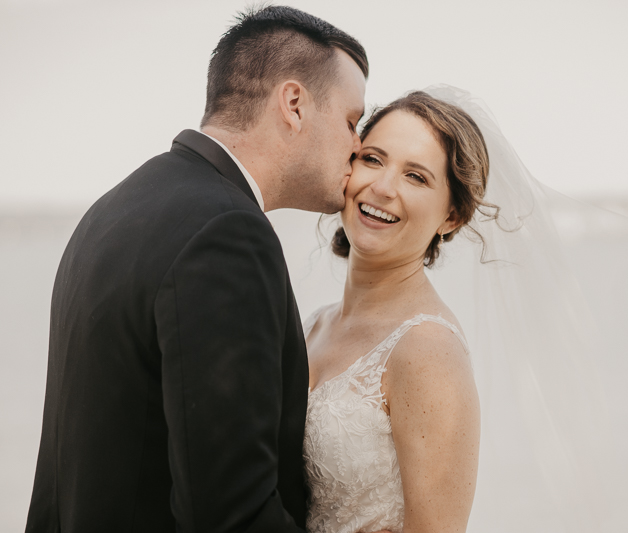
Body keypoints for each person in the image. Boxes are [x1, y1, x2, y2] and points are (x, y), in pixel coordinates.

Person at [25, 6, 370, 532]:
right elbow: (230, 515)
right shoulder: (227, 233)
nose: (358, 147)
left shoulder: (116, 208)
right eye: (351, 121)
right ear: (295, 104)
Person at [302, 87, 609, 533]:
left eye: (416, 177)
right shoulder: (315, 324)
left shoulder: (428, 350)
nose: (383, 187)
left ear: (452, 218)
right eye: (372, 159)